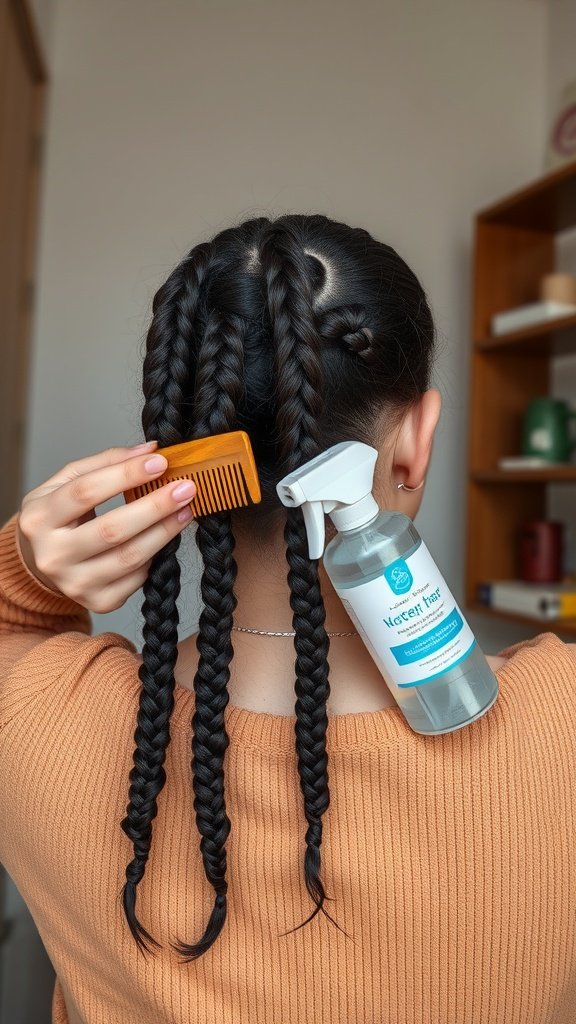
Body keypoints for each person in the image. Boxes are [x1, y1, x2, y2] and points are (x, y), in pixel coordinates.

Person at [0, 214, 574, 1024]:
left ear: (184, 457)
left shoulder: (35, 722)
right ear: (416, 440)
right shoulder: (564, 719)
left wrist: (25, 566)